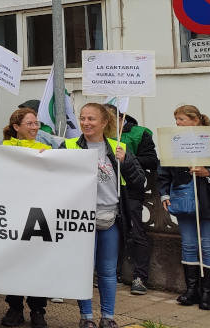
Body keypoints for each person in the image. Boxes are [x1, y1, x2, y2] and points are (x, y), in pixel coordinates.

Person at [62, 103, 146, 328]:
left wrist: (125, 161)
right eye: (83, 118)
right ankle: (86, 317)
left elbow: (140, 182)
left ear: (104, 122)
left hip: (111, 218)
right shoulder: (69, 145)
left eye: (91, 119)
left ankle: (107, 317)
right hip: (81, 219)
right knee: (84, 270)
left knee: (108, 272)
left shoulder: (118, 146)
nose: (86, 123)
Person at [158, 105, 210, 311]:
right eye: (176, 120)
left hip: (208, 201)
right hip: (183, 199)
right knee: (189, 244)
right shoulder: (172, 141)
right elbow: (163, 170)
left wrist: (207, 173)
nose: (177, 124)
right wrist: (165, 193)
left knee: (208, 245)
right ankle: (192, 291)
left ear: (195, 120)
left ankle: (207, 294)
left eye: (181, 119)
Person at [0, 108, 49, 328]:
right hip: (13, 210)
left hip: (39, 212)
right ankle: (15, 308)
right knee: (13, 261)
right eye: (29, 124)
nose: (35, 127)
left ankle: (38, 310)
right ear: (16, 127)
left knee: (37, 262)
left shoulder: (46, 149)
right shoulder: (4, 148)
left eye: (36, 123)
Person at [103, 104, 158, 295]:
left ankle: (140, 277)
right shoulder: (101, 137)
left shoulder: (140, 133)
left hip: (131, 189)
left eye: (107, 120)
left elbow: (152, 160)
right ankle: (113, 273)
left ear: (119, 118)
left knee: (136, 232)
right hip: (107, 190)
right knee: (111, 230)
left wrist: (127, 158)